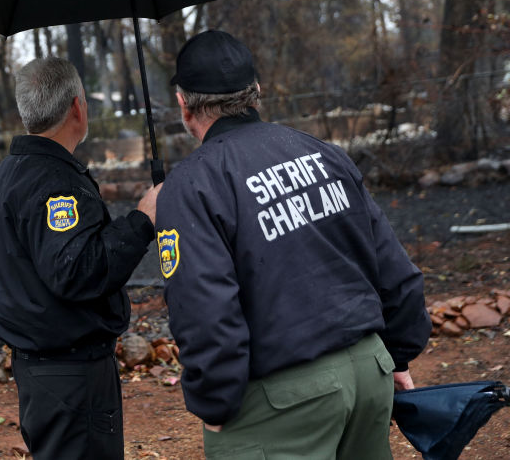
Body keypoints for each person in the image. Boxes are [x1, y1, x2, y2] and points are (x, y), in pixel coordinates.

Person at [154, 30, 432, 459]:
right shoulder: (324, 154)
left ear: (183, 104)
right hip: (369, 374)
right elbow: (395, 271)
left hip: (281, 401)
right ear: (256, 93)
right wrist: (396, 355)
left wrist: (214, 398)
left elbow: (204, 307)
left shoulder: (193, 185)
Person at [0, 57, 162, 460]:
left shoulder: (5, 175)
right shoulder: (55, 182)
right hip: (71, 377)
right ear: (78, 107)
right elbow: (78, 271)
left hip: (38, 371)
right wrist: (143, 220)